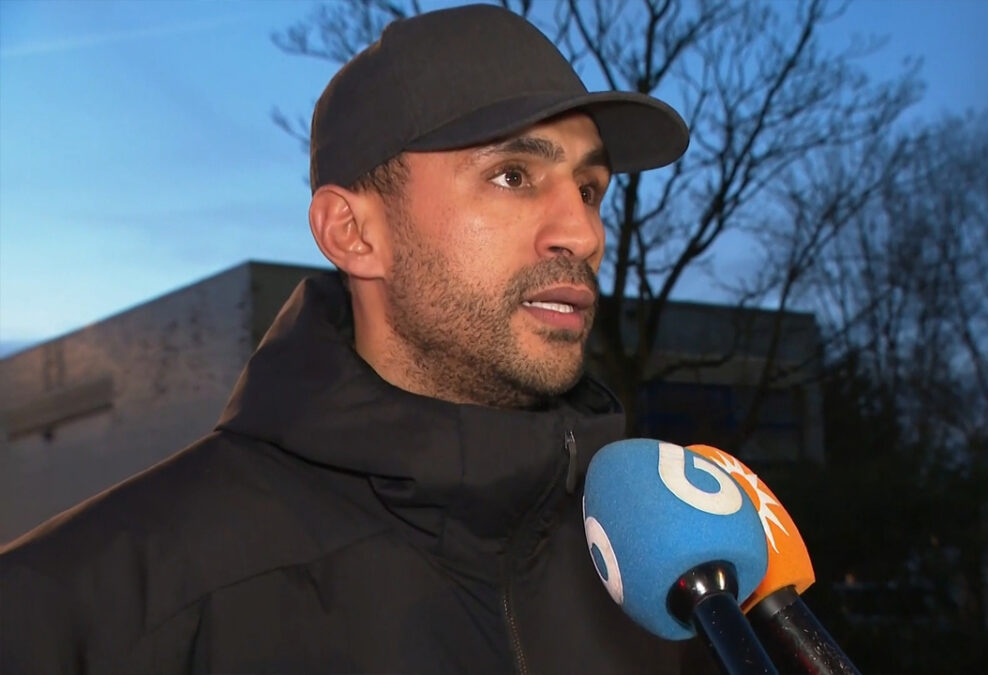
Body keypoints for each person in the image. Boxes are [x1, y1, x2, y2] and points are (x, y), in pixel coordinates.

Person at [0, 4, 696, 673]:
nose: (584, 233)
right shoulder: (72, 612)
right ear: (352, 233)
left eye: (590, 189)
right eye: (512, 176)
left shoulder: (663, 578)